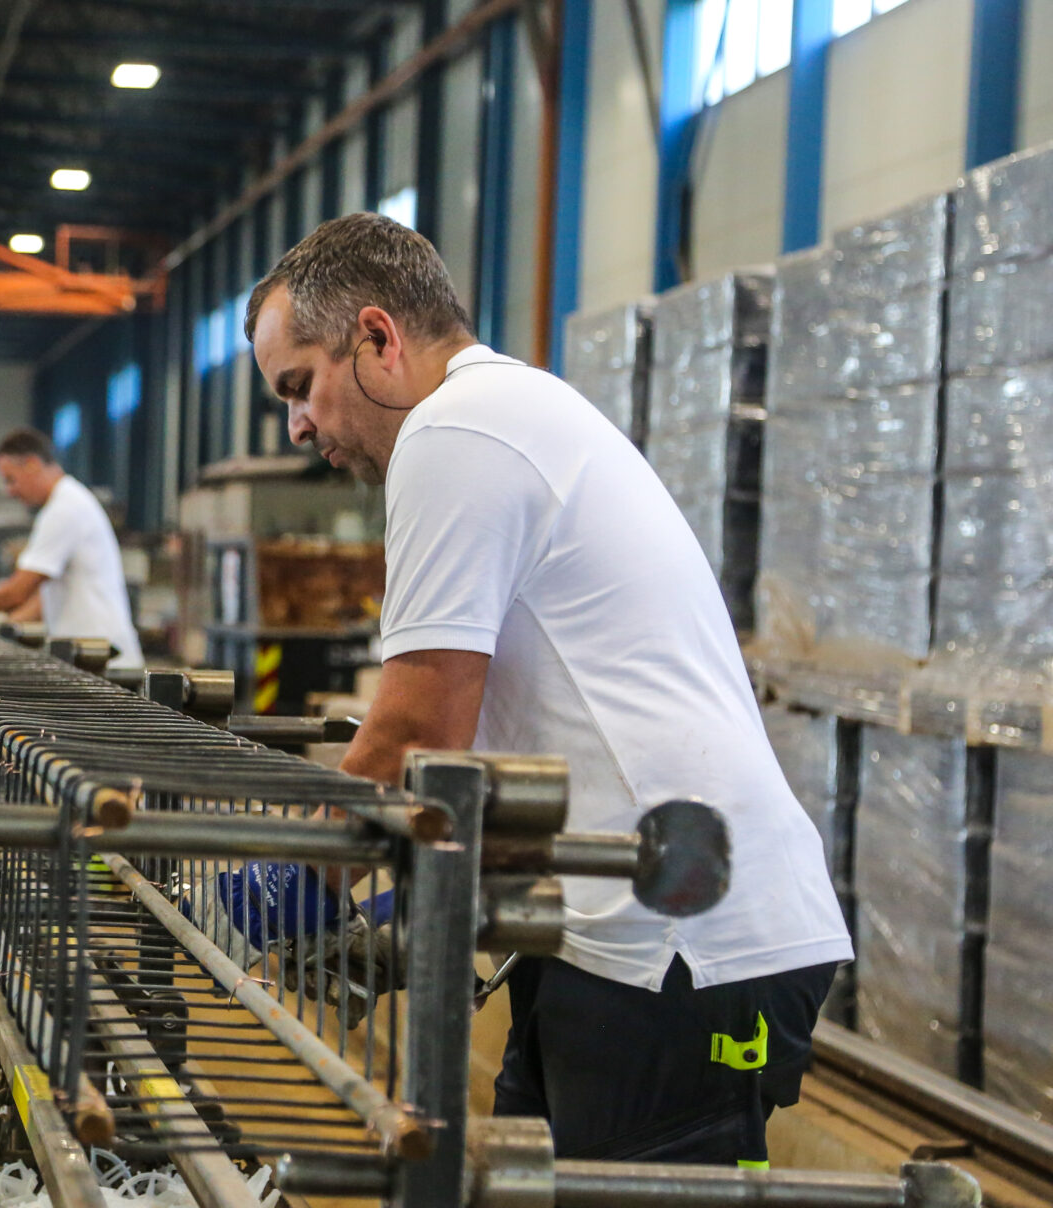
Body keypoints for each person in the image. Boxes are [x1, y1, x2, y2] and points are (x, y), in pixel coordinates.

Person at [245, 212, 852, 1167]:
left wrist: (292, 870)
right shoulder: (505, 413)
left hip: (679, 935)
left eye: (300, 386)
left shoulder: (454, 430)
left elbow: (416, 725)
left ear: (376, 338)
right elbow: (501, 730)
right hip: (622, 922)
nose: (298, 425)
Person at [0, 426, 144, 669]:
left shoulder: (64, 509)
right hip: (92, 657)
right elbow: (42, 598)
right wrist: (4, 627)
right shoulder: (66, 502)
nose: (9, 491)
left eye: (10, 479)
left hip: (104, 660)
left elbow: (18, 590)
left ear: (33, 464)